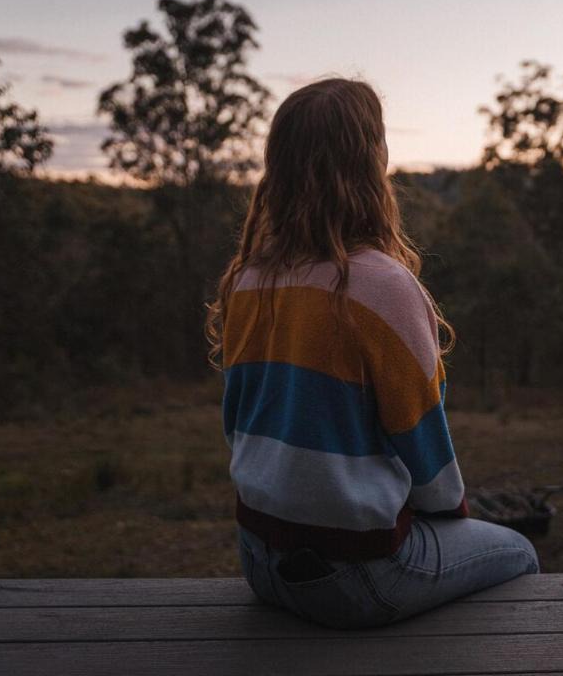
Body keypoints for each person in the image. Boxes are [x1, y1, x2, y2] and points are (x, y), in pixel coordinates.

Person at [205, 76, 539, 629]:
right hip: (354, 578)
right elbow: (429, 460)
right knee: (519, 553)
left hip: (259, 561)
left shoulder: (249, 279)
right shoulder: (380, 284)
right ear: (370, 162)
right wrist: (450, 520)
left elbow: (238, 426)